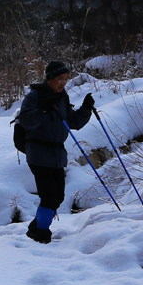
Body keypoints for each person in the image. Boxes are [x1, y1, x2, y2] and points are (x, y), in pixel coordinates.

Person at [16, 60, 95, 243]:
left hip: (57, 154)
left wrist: (86, 108)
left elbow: (73, 122)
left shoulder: (62, 97)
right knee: (49, 195)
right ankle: (41, 233)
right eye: (60, 79)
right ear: (50, 78)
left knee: (57, 196)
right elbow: (26, 121)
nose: (63, 83)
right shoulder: (35, 96)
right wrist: (42, 110)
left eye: (66, 79)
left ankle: (36, 228)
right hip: (38, 152)